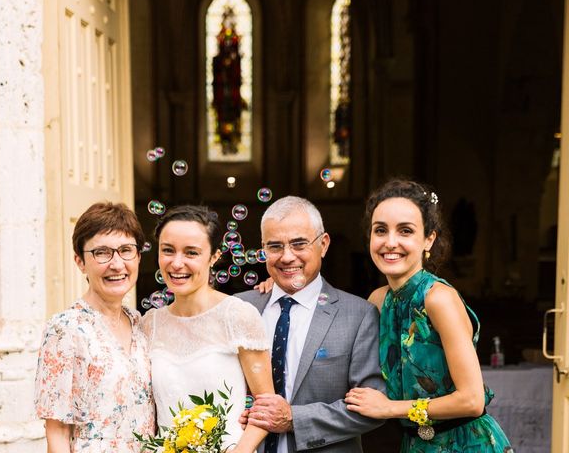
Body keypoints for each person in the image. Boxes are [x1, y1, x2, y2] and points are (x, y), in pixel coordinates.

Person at [344, 178, 512, 452]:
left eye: (405, 231)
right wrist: (277, 289)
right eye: (380, 230)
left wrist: (389, 408)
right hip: (416, 444)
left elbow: (472, 400)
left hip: (465, 443)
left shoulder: (438, 299)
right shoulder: (377, 300)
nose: (390, 242)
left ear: (428, 239)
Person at [237, 196, 385, 453]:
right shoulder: (238, 309)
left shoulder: (359, 316)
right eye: (275, 247)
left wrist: (294, 418)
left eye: (299, 244)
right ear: (263, 250)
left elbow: (373, 408)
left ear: (323, 244)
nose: (286, 257)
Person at [141, 205, 274, 453]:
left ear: (214, 256)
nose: (176, 263)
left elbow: (265, 405)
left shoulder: (238, 315)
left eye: (191, 253)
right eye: (168, 250)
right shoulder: (149, 324)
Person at [34, 201, 155, 452]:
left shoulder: (139, 324)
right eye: (101, 252)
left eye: (126, 250)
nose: (117, 264)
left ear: (138, 257)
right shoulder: (65, 329)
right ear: (80, 261)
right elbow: (57, 432)